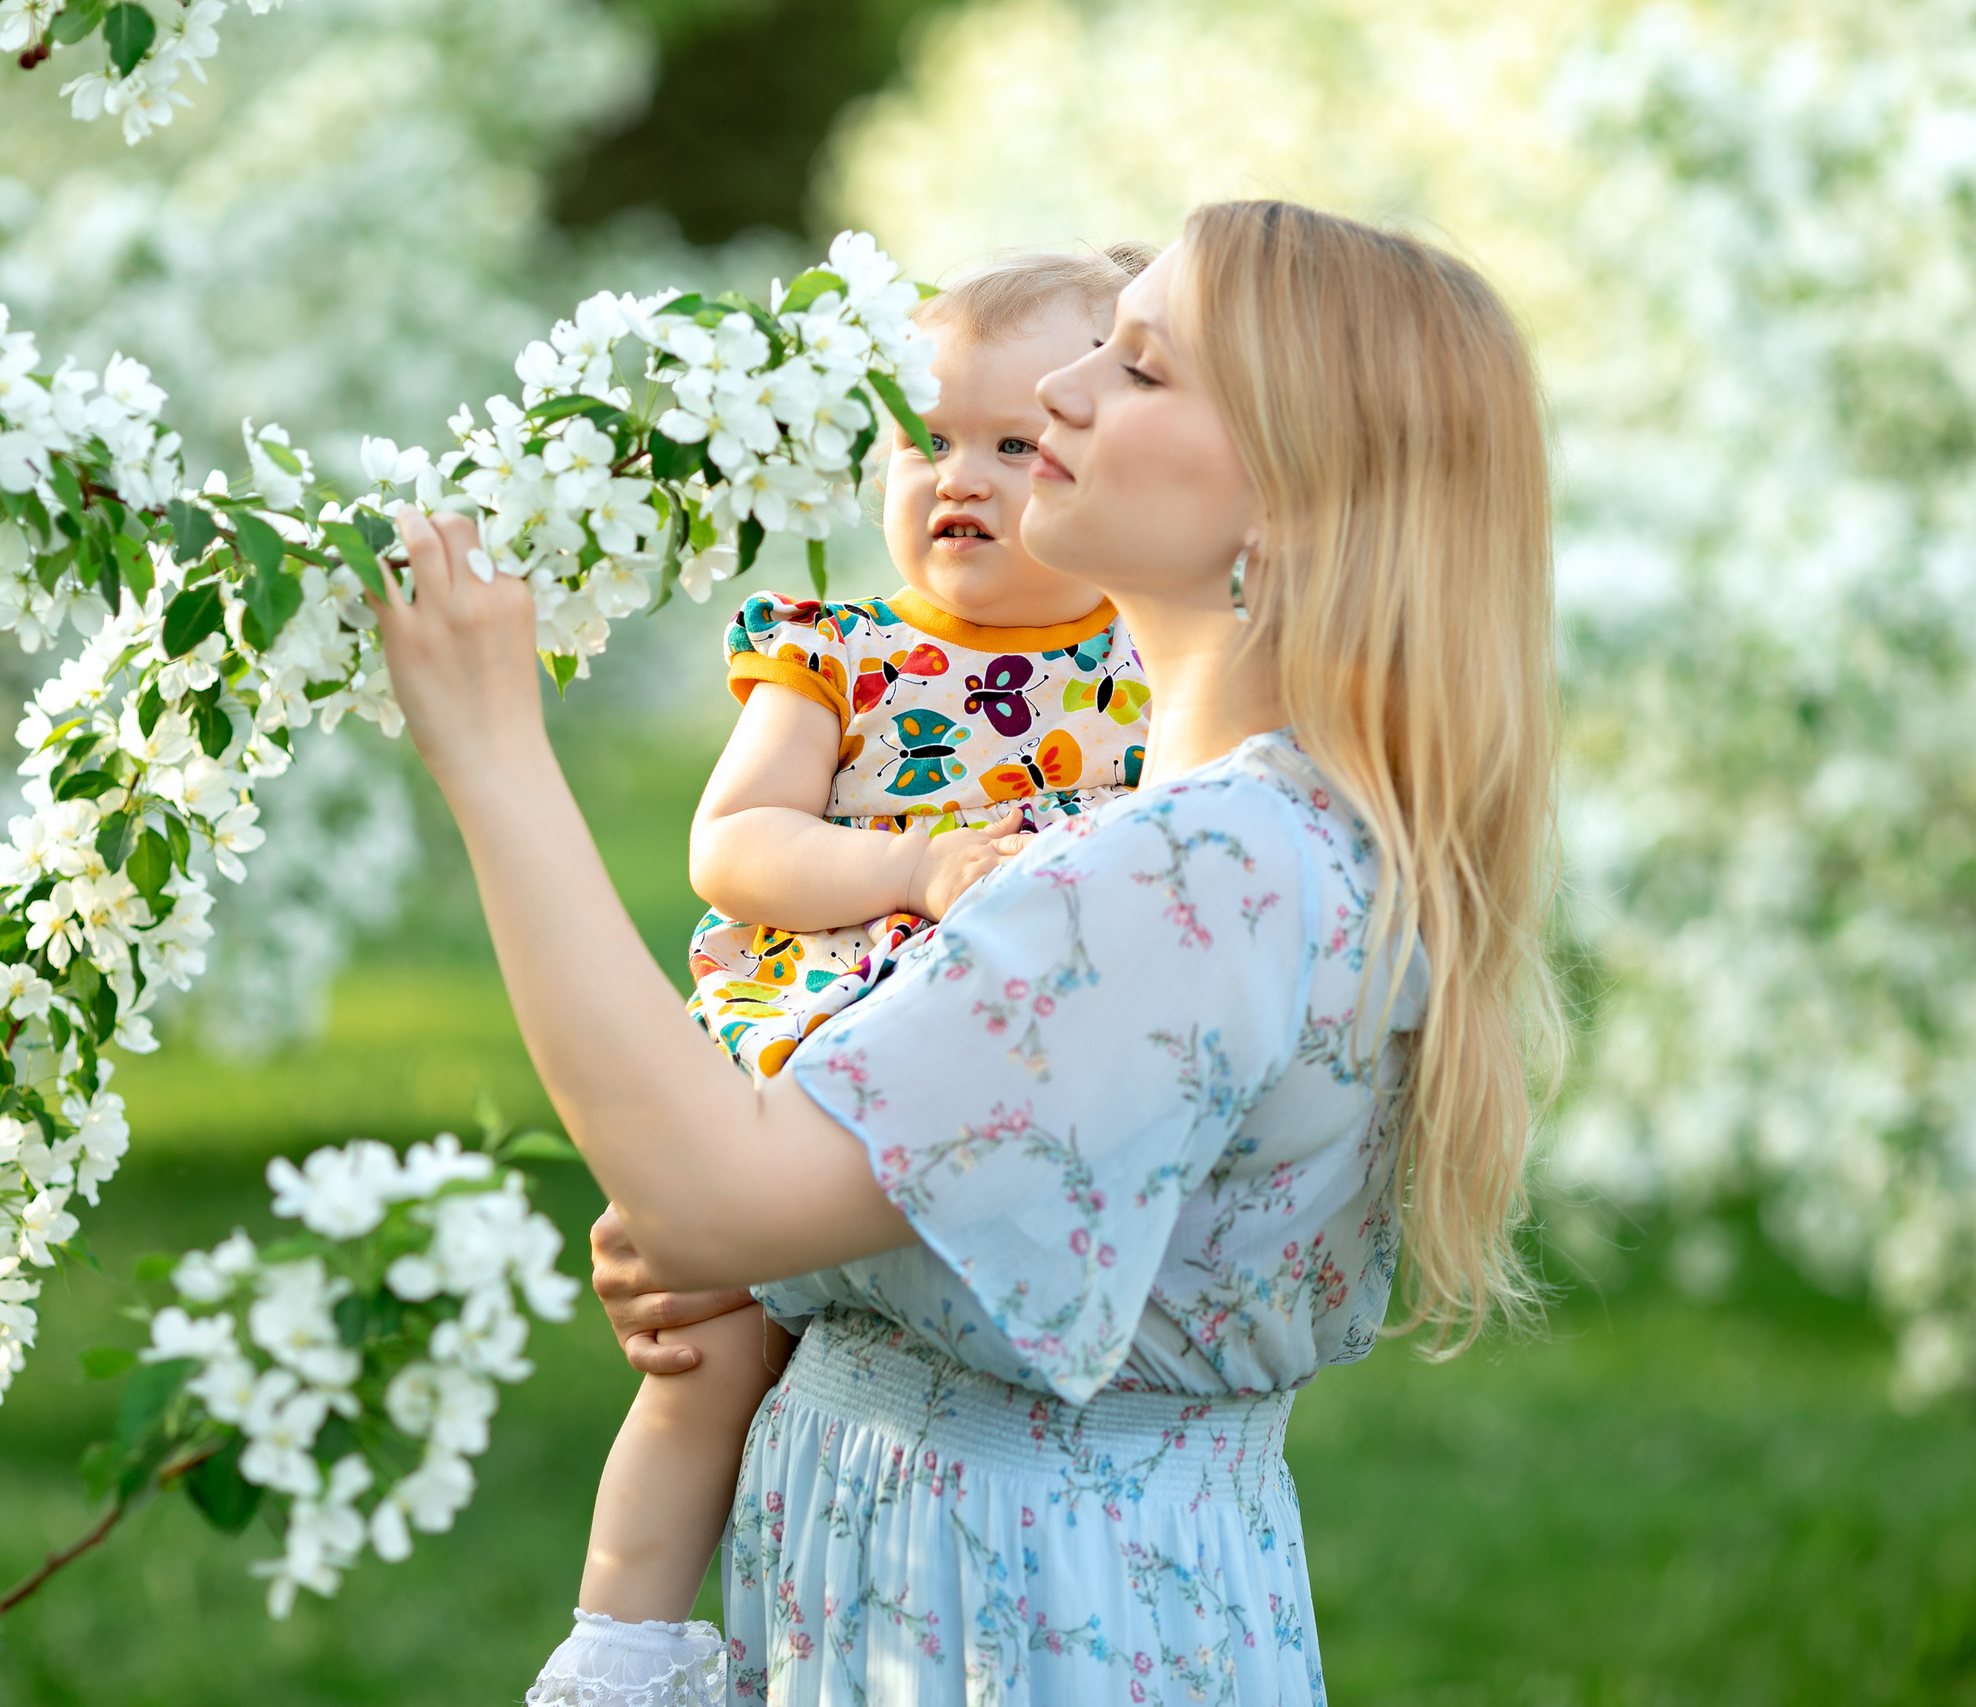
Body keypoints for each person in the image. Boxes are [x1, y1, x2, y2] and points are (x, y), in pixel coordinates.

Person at [372, 199, 1559, 1706]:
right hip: (1054, 1597)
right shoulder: (1252, 834)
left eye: (1140, 371)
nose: (1060, 393)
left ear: (1293, 501)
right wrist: (790, 1279)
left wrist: (489, 746)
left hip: (1003, 1629)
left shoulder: (1192, 869)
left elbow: (721, 1192)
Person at [528, 246, 1157, 1703]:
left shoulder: (1146, 666)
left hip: (1007, 1083)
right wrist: (906, 870)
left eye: (1017, 444)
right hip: (811, 1046)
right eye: (923, 438)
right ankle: (619, 1647)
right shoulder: (841, 650)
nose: (962, 477)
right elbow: (734, 843)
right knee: (706, 1357)